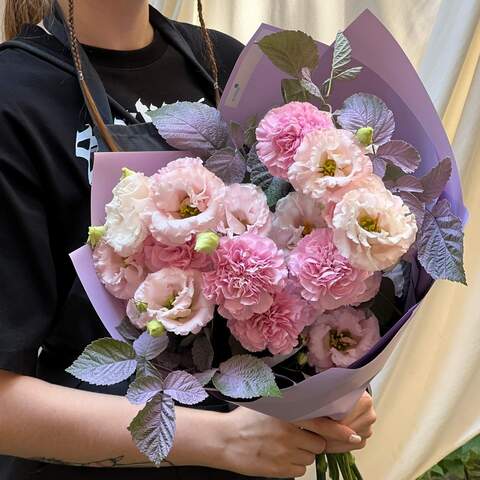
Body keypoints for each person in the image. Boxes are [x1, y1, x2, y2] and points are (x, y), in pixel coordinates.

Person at [0, 1, 377, 479]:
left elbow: (299, 252)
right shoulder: (13, 96)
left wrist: (333, 385)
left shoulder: (226, 60)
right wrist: (217, 439)